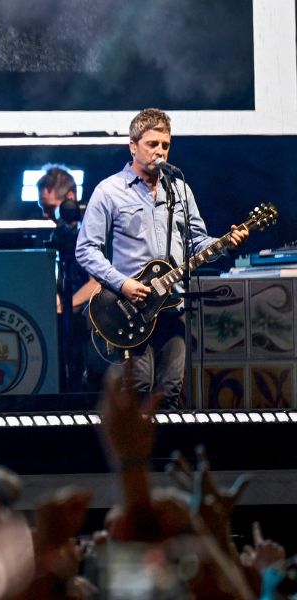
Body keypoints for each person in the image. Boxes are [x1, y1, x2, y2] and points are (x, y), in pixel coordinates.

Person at [75, 108, 248, 408]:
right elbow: (86, 249)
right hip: (131, 308)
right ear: (133, 146)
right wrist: (123, 283)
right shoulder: (109, 191)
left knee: (170, 390)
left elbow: (197, 243)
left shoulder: (180, 190)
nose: (160, 151)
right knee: (139, 386)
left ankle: (167, 442)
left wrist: (225, 245)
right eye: (152, 144)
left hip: (173, 305)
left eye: (165, 145)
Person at [36, 165, 102, 392]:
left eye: (50, 208)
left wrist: (64, 305)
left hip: (91, 327)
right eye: (43, 208)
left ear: (70, 200)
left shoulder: (89, 233)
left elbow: (98, 282)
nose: (46, 215)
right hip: (68, 327)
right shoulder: (59, 235)